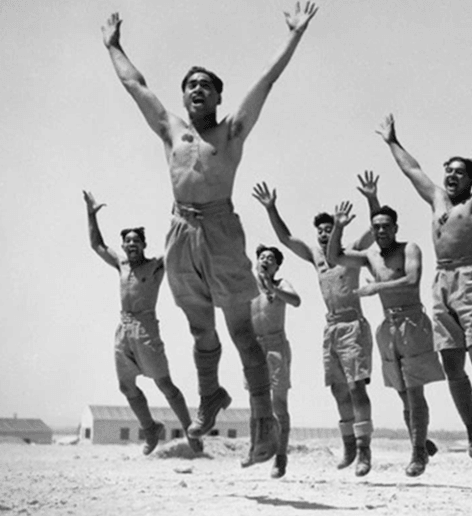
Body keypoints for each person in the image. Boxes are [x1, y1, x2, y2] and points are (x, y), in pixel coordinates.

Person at [101, 2, 318, 465]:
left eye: (207, 85)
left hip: (220, 229)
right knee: (200, 328)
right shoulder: (170, 131)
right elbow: (134, 84)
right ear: (183, 98)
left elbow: (267, 80)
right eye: (191, 85)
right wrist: (113, 45)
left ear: (218, 98)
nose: (198, 89)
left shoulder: (231, 134)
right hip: (180, 233)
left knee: (242, 331)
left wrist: (294, 35)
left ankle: (263, 430)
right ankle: (211, 395)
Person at [375, 114, 472, 460]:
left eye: (459, 172)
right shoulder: (437, 200)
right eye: (448, 171)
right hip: (442, 284)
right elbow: (413, 170)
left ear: (471, 180)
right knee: (452, 364)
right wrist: (393, 141)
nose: (451, 176)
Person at [251, 174, 379, 477]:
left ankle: (364, 449)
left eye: (329, 228)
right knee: (337, 390)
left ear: (337, 228)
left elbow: (376, 229)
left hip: (353, 325)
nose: (324, 234)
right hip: (331, 328)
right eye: (320, 230)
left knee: (356, 387)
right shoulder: (315, 257)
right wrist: (271, 208)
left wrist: (372, 199)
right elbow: (285, 239)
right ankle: (348, 444)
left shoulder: (351, 251)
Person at [327, 202, 446, 477]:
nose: (381, 231)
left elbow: (412, 279)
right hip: (388, 327)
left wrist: (375, 287)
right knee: (403, 392)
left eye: (386, 226)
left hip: (413, 322)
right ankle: (421, 440)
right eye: (376, 227)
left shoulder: (409, 249)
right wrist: (338, 227)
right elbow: (334, 256)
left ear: (395, 228)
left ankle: (417, 454)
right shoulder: (371, 256)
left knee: (415, 392)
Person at [83, 190, 202, 456]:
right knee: (126, 386)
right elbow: (97, 245)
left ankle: (189, 430)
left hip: (146, 329)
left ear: (144, 244)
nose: (132, 244)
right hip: (122, 331)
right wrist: (91, 214)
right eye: (128, 241)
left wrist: (180, 213)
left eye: (137, 240)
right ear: (123, 246)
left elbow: (177, 243)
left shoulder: (156, 265)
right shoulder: (121, 264)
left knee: (164, 384)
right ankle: (150, 428)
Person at [242, 244, 301, 478]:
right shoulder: (248, 287)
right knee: (255, 404)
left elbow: (296, 301)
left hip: (276, 347)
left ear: (276, 266)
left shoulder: (280, 285)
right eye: (262, 257)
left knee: (279, 406)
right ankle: (253, 449)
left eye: (271, 259)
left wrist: (271, 287)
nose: (265, 260)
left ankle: (281, 457)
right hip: (254, 348)